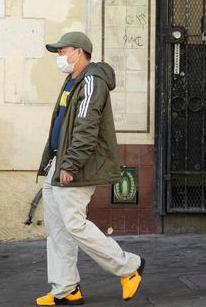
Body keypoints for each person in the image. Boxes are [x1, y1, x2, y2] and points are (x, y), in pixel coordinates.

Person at [34, 31, 144, 305]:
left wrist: (70, 163)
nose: (60, 57)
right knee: (57, 228)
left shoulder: (93, 81)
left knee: (74, 224)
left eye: (63, 51)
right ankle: (66, 289)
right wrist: (55, 161)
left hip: (76, 164)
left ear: (79, 52)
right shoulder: (72, 80)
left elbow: (86, 127)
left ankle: (129, 267)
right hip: (58, 162)